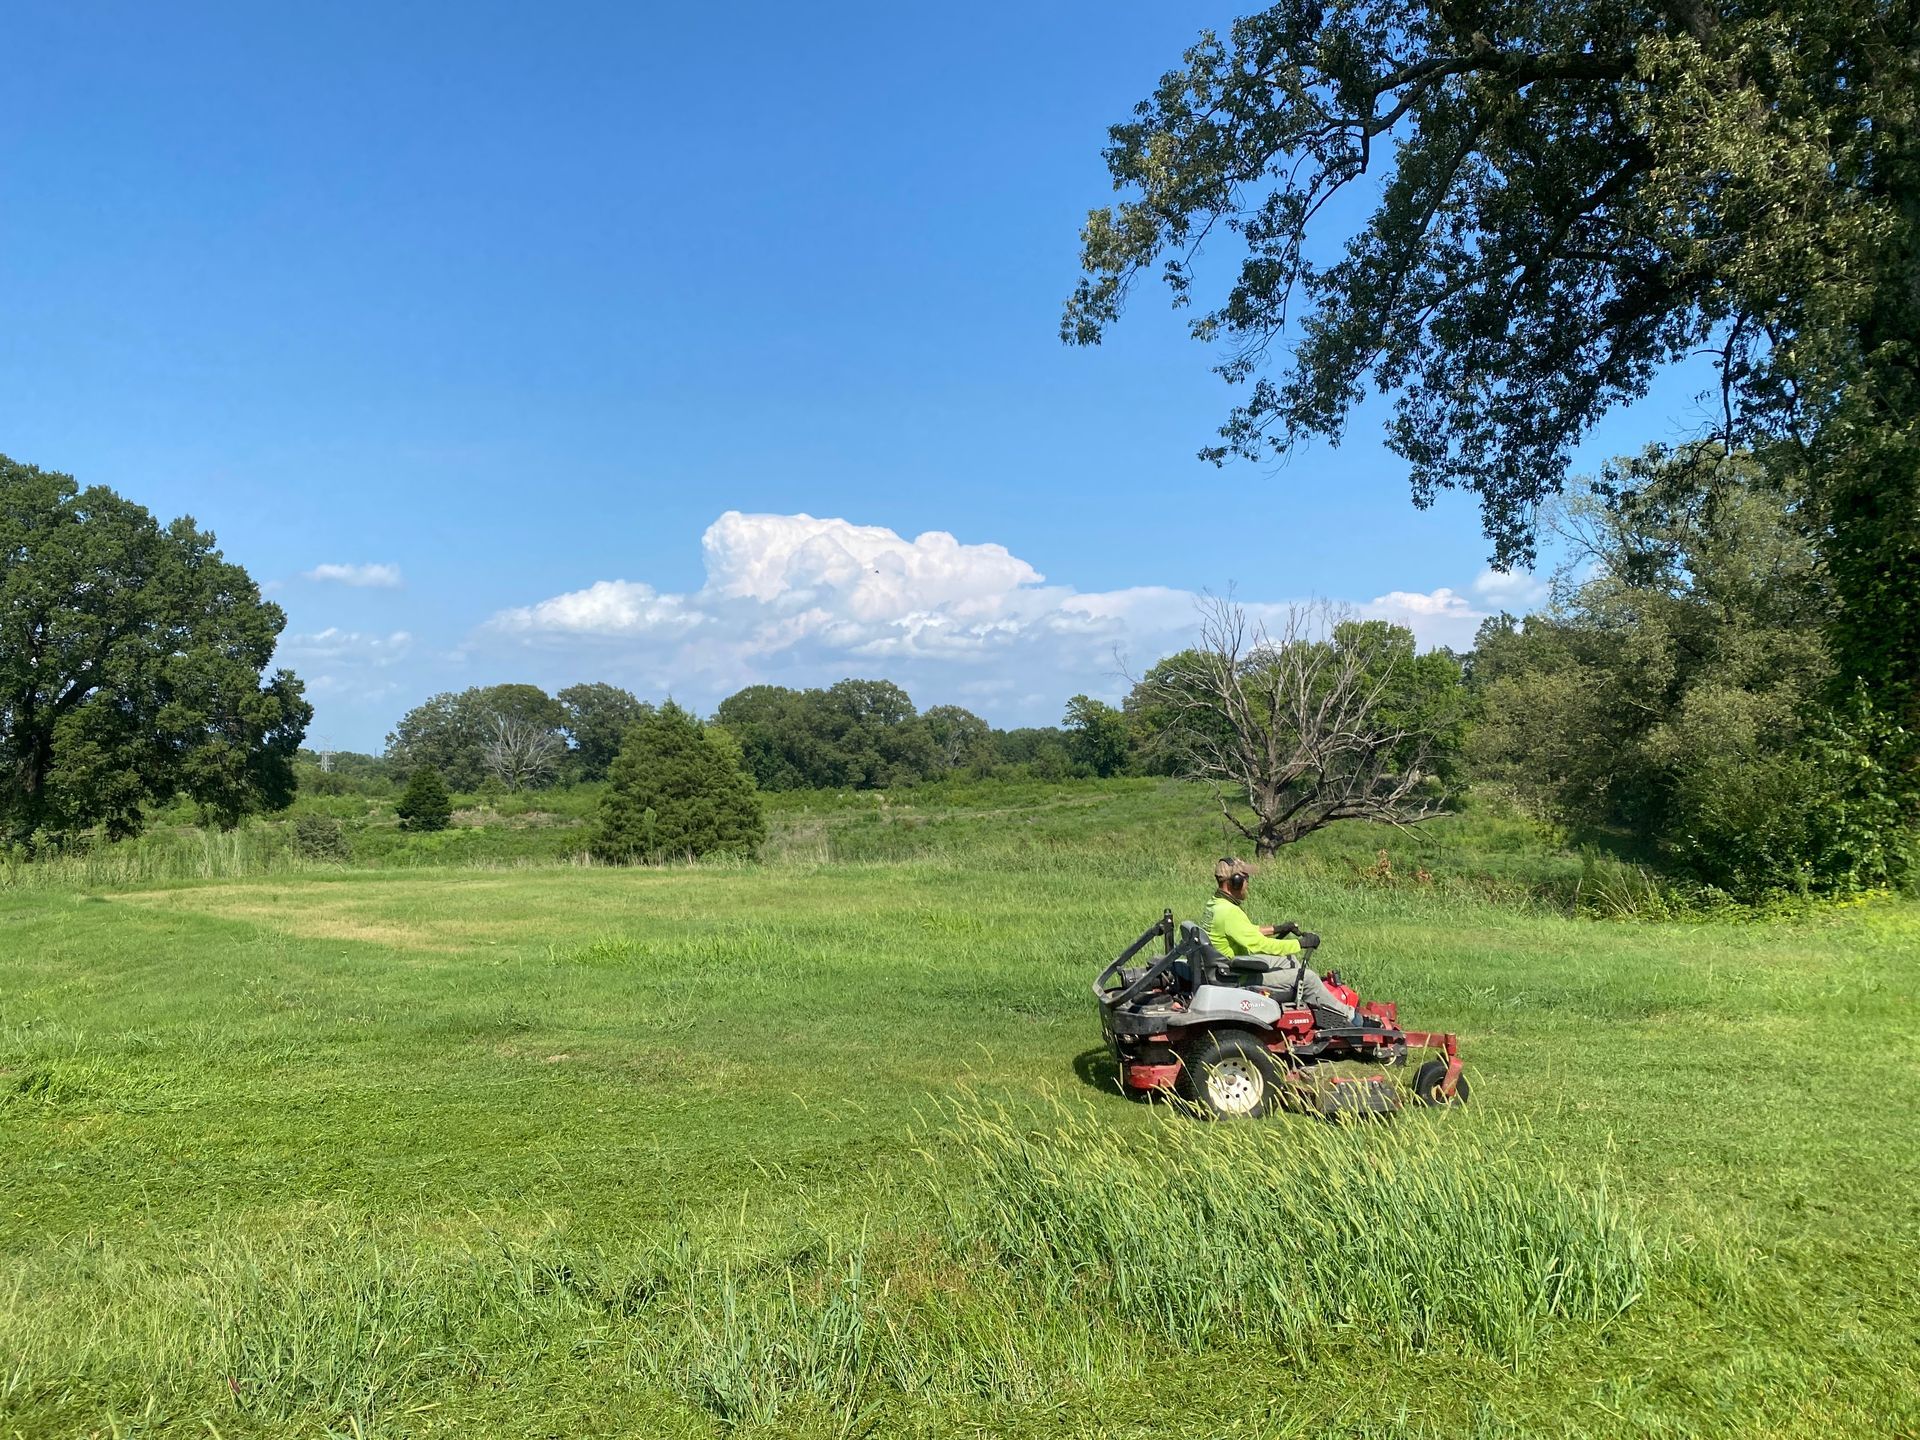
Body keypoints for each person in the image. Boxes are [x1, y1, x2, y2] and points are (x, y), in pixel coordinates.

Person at [1201, 857, 1369, 1028]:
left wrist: (1278, 928)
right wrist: (1300, 944)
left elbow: (1246, 931)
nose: (1248, 884)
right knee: (1308, 978)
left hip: (1226, 967)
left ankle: (1312, 1007)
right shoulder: (1229, 912)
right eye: (1246, 879)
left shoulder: (1216, 904)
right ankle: (1351, 1018)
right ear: (1235, 882)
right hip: (1237, 975)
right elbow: (1261, 945)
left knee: (1289, 960)